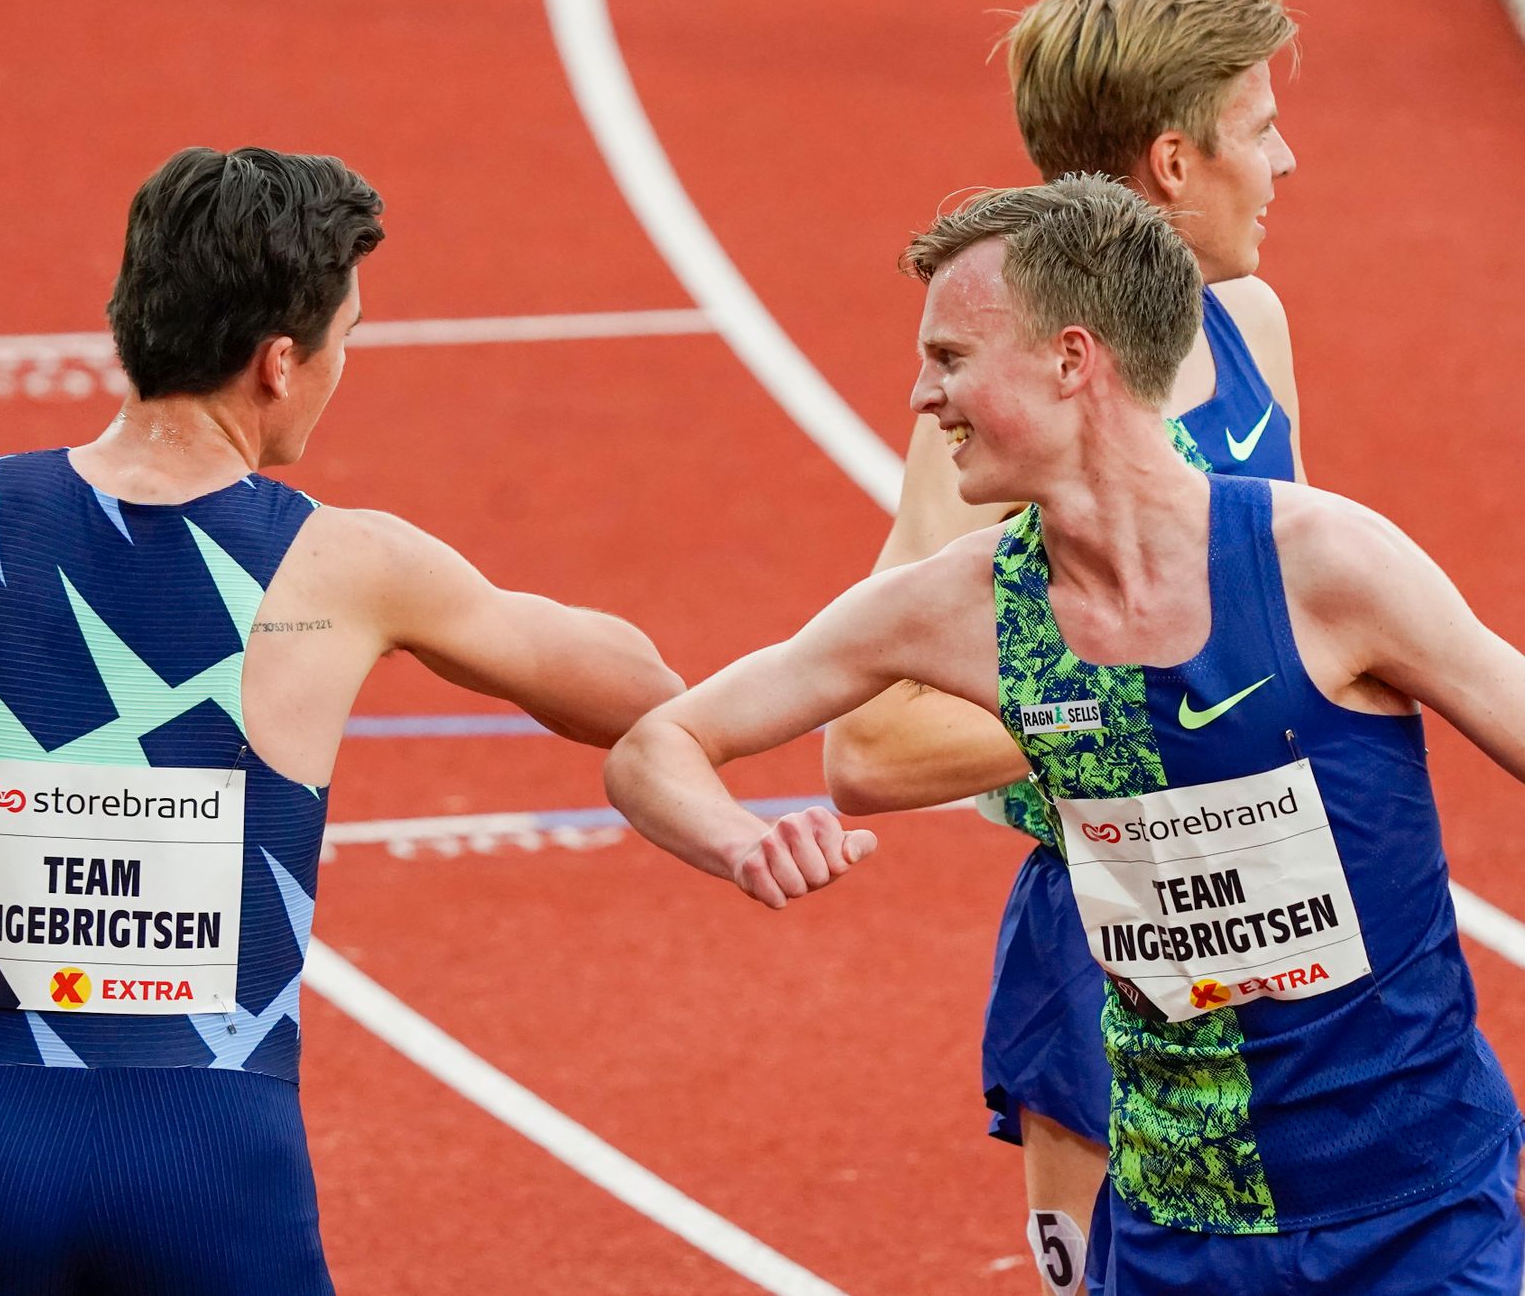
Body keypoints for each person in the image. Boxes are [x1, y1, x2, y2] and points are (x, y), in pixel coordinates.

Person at [0, 146, 684, 1292]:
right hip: (216, 1171)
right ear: (280, 361)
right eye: (347, 338)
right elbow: (639, 690)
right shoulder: (344, 564)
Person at [606, 175, 1524, 1294]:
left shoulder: (1322, 564)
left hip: (1414, 1210)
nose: (918, 397)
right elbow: (658, 744)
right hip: (1176, 1225)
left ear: (1069, 359)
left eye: (947, 358)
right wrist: (734, 838)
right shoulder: (961, 605)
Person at [821, 0, 1300, 1288]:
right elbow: (872, 738)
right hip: (1112, 941)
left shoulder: (1252, 331)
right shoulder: (1006, 399)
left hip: (1291, 910)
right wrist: (1120, 719)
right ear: (1173, 162)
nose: (1284, 159)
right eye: (1256, 129)